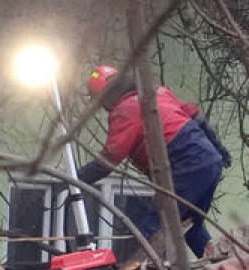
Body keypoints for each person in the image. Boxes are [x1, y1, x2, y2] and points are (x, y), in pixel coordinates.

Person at [78, 65, 230, 258]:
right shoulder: (158, 93)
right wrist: (218, 148)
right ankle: (217, 264)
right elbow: (195, 114)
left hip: (186, 162)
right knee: (189, 223)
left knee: (153, 228)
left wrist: (76, 178)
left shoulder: (125, 110)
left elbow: (110, 158)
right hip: (209, 161)